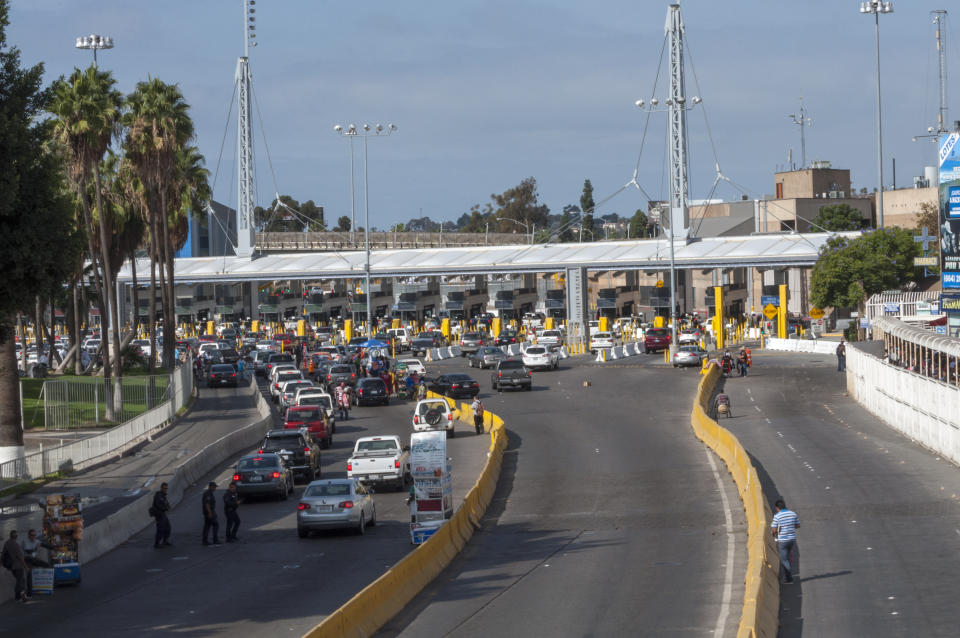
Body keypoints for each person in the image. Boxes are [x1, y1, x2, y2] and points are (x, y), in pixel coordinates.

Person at [771, 498, 800, 584]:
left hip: (783, 540)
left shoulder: (777, 516)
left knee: (784, 560)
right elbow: (798, 525)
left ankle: (789, 579)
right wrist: (789, 527)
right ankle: (787, 576)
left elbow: (773, 530)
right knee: (788, 557)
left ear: (777, 508)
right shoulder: (793, 514)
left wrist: (775, 532)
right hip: (791, 540)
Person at [2, 530, 29, 602]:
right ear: (16, 536)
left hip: (11, 566)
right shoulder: (16, 545)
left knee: (18, 580)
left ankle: (18, 596)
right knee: (21, 580)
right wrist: (26, 567)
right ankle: (21, 593)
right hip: (18, 566)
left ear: (10, 536)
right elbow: (21, 558)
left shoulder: (6, 543)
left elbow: (3, 555)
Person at [152, 482, 172, 548]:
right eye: (164, 488)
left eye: (166, 488)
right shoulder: (158, 495)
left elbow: (166, 503)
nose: (165, 489)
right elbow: (158, 505)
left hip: (163, 514)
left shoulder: (163, 495)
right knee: (160, 529)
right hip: (159, 515)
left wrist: (168, 507)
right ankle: (157, 544)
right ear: (161, 488)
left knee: (168, 528)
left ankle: (165, 541)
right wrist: (165, 508)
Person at [201, 481, 221, 546]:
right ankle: (215, 539)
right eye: (214, 487)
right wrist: (210, 513)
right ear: (211, 487)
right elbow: (207, 504)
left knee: (207, 526)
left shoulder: (210, 493)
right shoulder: (208, 494)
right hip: (209, 512)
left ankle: (205, 540)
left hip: (210, 511)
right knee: (215, 525)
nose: (215, 488)